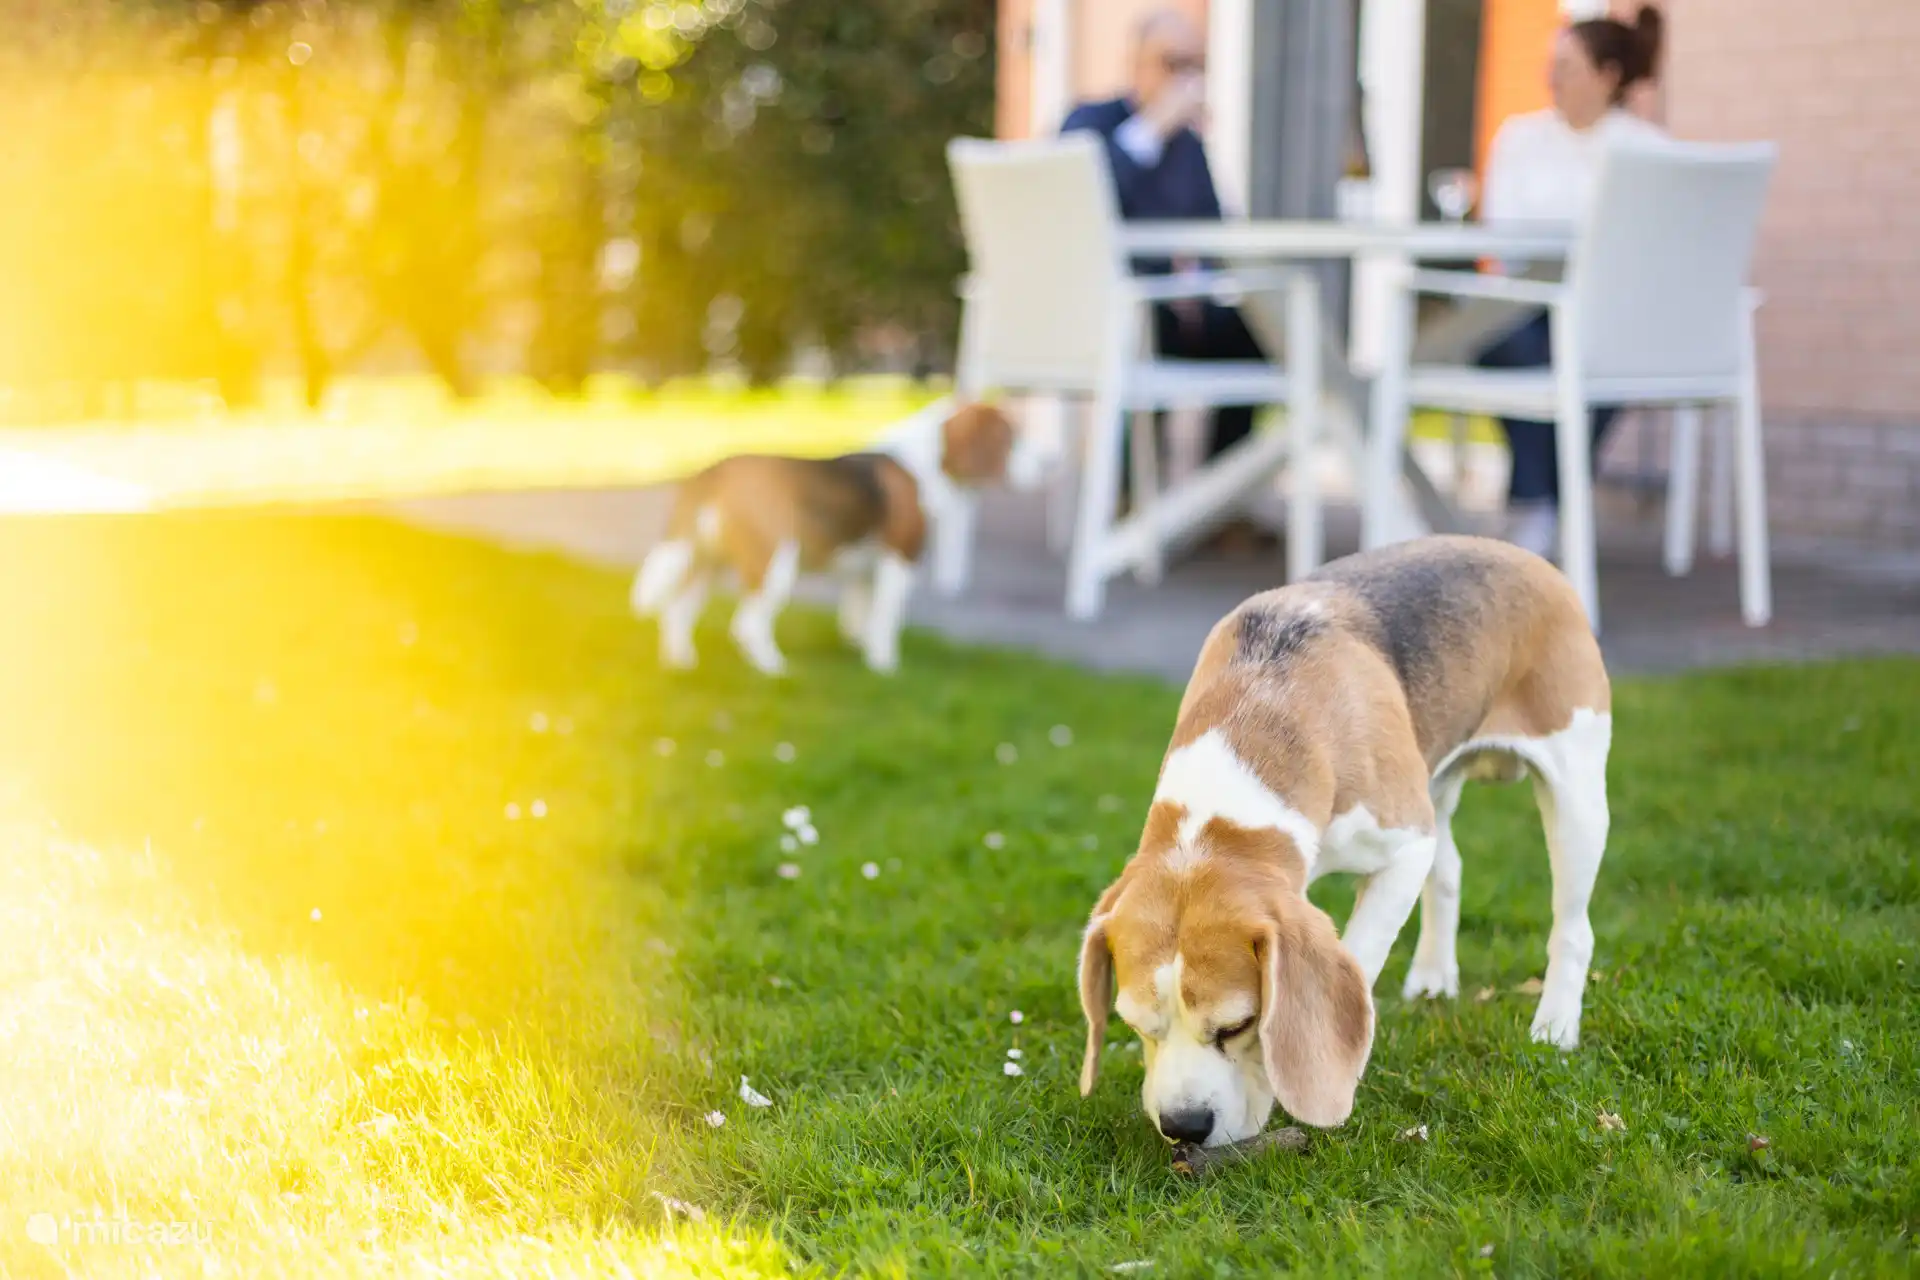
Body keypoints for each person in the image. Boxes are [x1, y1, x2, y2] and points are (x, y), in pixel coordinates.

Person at [1061, 9, 1274, 557]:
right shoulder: (1093, 121)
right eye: (1174, 63)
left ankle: (1217, 504)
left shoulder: (1189, 147)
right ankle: (1130, 498)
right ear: (1135, 63)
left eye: (1196, 65)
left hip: (1184, 308)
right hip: (1107, 314)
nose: (1187, 78)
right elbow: (1083, 200)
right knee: (1143, 322)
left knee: (1259, 332)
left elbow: (1216, 235)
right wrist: (1154, 126)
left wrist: (1198, 284)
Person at [1478, 5, 1666, 560]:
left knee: (1596, 358)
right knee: (1505, 338)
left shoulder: (1648, 150)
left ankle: (1536, 503)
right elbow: (1501, 232)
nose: (1551, 77)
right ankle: (1550, 500)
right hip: (1529, 304)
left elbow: (1652, 246)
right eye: (1550, 64)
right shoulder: (1521, 137)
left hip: (1610, 315)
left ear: (1608, 75)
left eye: (1567, 65)